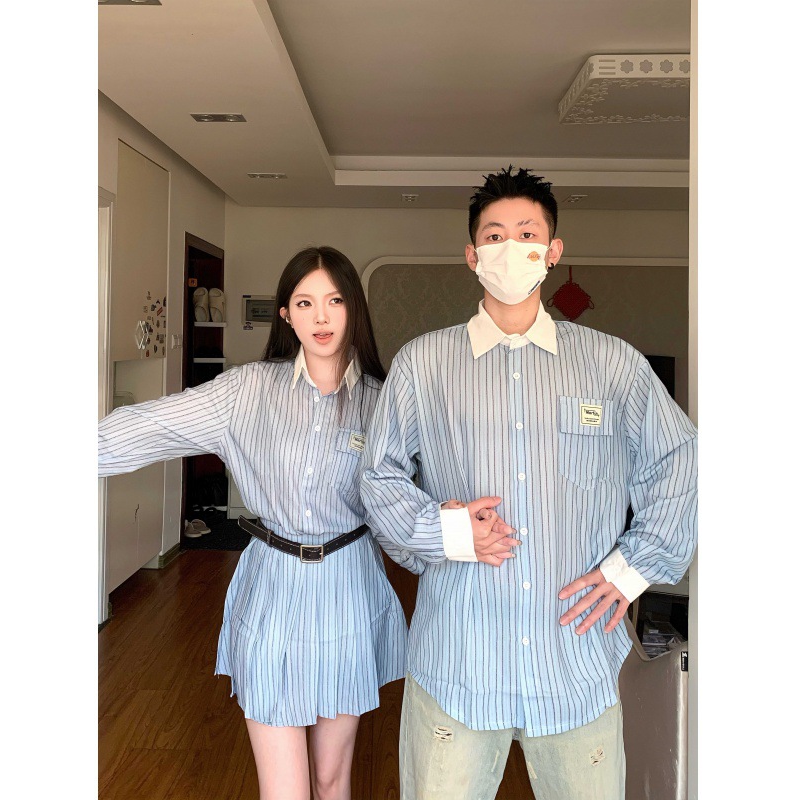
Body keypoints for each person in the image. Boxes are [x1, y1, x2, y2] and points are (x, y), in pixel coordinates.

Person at [360, 167, 697, 800]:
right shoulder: (423, 365)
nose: (509, 249)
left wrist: (634, 567)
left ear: (552, 251)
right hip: (459, 661)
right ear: (472, 255)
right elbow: (379, 477)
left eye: (526, 233)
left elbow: (679, 456)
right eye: (494, 236)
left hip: (573, 663)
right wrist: (447, 531)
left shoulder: (612, 364)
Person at [98, 246, 408, 800]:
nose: (321, 316)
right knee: (284, 789)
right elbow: (150, 426)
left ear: (354, 309)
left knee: (332, 779)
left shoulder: (384, 403)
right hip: (273, 586)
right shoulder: (246, 391)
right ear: (285, 314)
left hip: (349, 587)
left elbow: (419, 495)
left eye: (335, 301)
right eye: (304, 303)